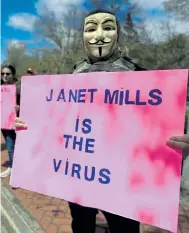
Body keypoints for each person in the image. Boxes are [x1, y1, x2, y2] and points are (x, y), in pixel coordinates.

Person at [15, 9, 189, 233]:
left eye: (107, 27)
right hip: (77, 176)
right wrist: (29, 127)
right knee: (81, 224)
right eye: (90, 29)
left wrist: (178, 148)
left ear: (118, 34)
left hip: (122, 184)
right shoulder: (69, 79)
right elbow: (57, 124)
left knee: (124, 228)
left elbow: (160, 129)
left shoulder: (141, 77)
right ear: (83, 38)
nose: (99, 35)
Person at [1, 65, 20, 178]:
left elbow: (28, 103)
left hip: (14, 122)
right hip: (3, 122)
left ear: (13, 75)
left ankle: (12, 169)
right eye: (3, 73)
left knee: (10, 145)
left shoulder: (18, 88)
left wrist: (19, 107)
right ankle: (14, 166)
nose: (5, 76)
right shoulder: (1, 87)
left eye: (7, 74)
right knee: (11, 145)